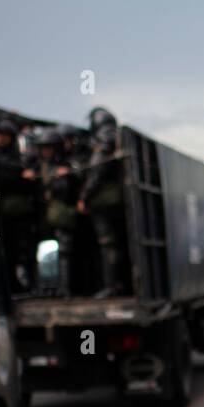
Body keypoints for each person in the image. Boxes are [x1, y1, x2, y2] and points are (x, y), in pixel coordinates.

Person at [0, 117, 39, 293]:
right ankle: (5, 286)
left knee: (22, 251)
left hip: (17, 212)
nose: (1, 139)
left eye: (5, 136)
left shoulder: (18, 157)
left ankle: (27, 285)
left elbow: (21, 172)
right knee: (0, 254)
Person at [78, 107, 127, 297]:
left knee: (107, 243)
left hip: (104, 200)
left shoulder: (104, 139)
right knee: (115, 243)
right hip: (113, 199)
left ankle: (111, 286)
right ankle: (117, 284)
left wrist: (85, 196)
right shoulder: (115, 136)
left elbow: (97, 170)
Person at [32, 127, 79, 296]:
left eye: (49, 147)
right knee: (40, 252)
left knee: (65, 252)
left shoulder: (68, 166)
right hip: (44, 216)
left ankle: (64, 288)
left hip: (62, 214)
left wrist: (65, 177)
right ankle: (42, 288)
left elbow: (72, 190)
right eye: (43, 148)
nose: (46, 151)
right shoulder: (38, 167)